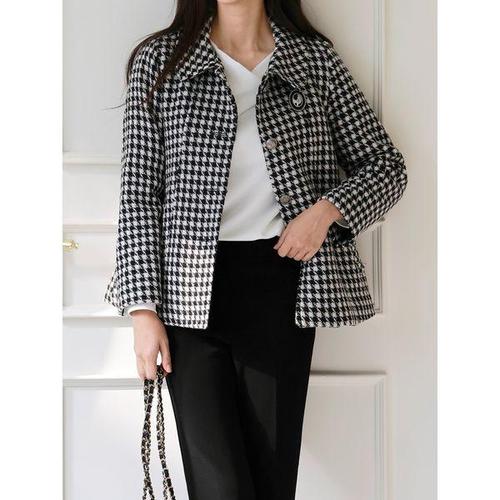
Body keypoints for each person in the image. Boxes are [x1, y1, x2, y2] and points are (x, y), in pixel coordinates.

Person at [105, 1, 408, 499]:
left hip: (282, 291)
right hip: (187, 297)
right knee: (219, 487)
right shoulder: (160, 62)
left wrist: (324, 213)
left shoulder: (313, 61)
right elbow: (139, 192)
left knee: (271, 484)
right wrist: (142, 310)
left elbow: (386, 166)